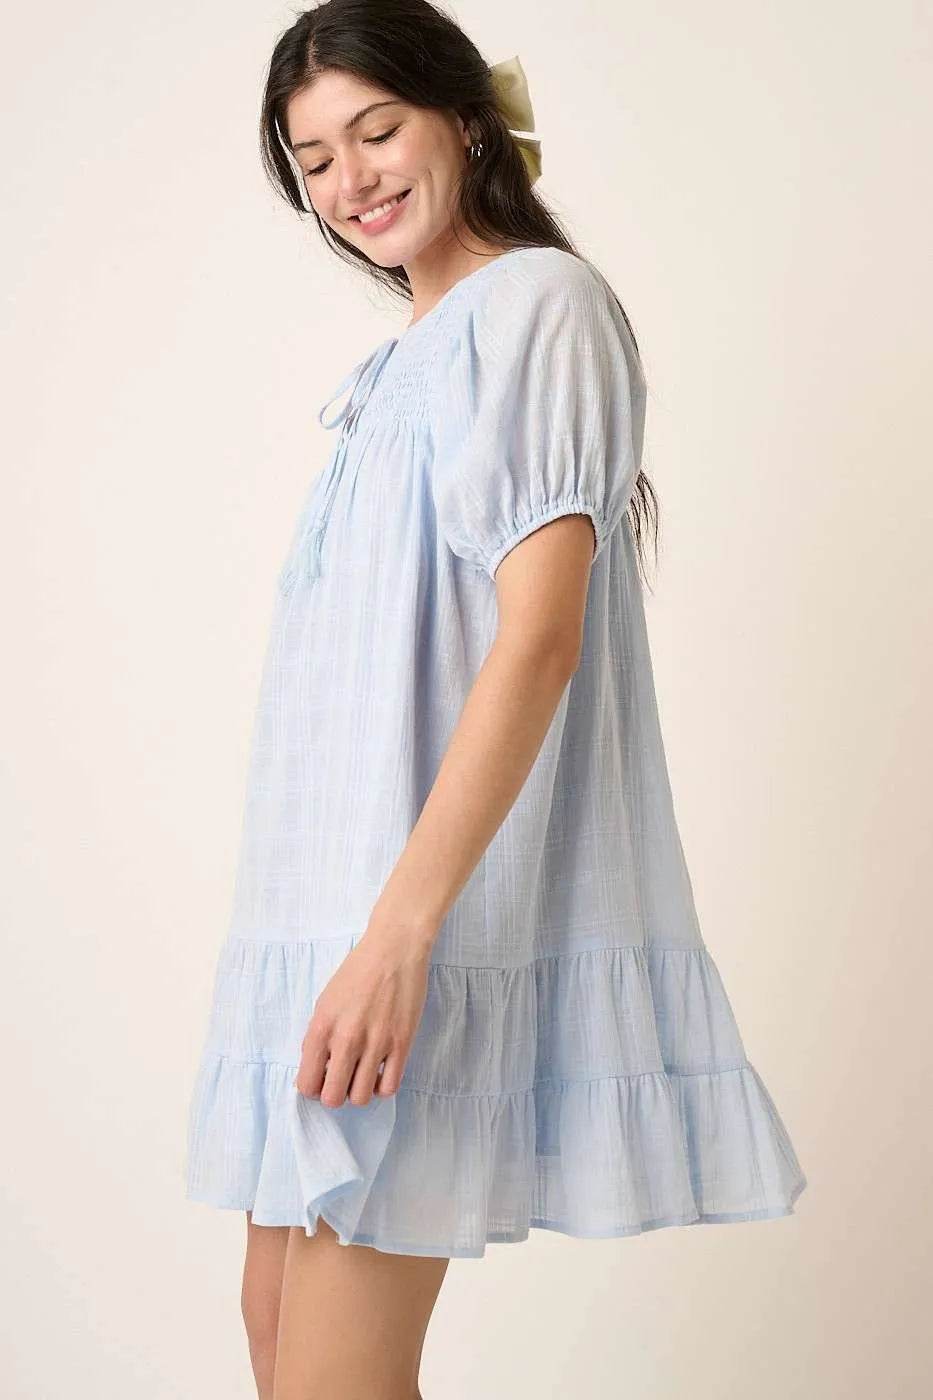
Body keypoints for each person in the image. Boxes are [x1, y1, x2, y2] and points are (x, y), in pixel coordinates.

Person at [184, 3, 808, 1397]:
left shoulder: (536, 307)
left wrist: (398, 937)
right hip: (321, 918)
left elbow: (539, 641)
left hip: (403, 923)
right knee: (280, 1353)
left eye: (376, 131)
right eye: (314, 160)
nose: (350, 180)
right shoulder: (395, 362)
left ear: (465, 119)